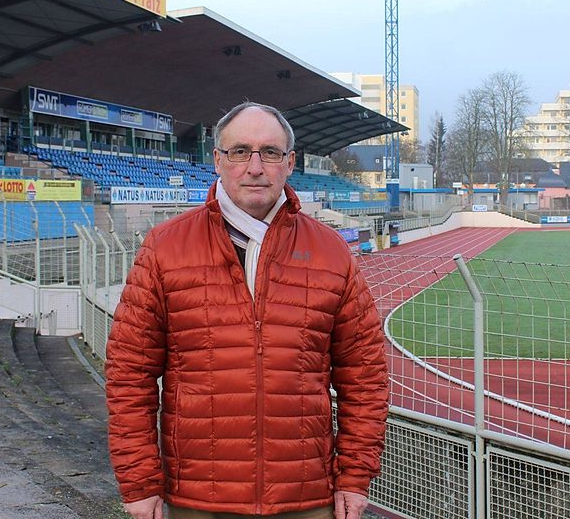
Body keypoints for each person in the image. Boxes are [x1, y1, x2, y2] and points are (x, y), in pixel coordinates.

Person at [106, 101, 389, 519]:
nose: (255, 166)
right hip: (198, 499)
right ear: (218, 160)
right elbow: (129, 375)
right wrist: (139, 482)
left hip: (305, 498)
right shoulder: (165, 248)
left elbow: (365, 376)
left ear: (290, 163)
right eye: (240, 152)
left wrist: (353, 476)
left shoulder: (331, 252)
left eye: (270, 153)